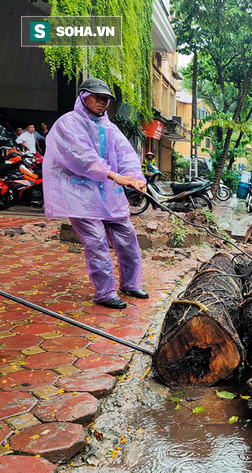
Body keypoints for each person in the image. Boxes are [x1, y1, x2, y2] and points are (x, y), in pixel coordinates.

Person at [43, 77, 148, 309]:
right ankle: (105, 292)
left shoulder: (109, 128)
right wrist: (116, 177)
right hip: (80, 195)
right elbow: (82, 158)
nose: (102, 103)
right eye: (97, 97)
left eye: (106, 99)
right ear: (83, 97)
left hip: (109, 195)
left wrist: (137, 179)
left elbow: (126, 154)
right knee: (97, 242)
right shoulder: (67, 124)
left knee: (127, 238)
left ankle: (130, 283)